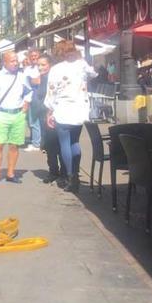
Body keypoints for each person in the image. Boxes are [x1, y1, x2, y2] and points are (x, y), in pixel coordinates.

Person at [45, 41, 98, 193]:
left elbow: (51, 92)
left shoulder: (56, 69)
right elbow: (94, 74)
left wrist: (49, 111)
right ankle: (75, 172)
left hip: (63, 109)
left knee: (64, 144)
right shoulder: (81, 64)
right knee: (75, 142)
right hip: (79, 109)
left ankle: (71, 176)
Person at [0, 51, 32, 186]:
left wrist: (26, 104)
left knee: (14, 146)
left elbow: (29, 91)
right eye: (12, 61)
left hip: (18, 114)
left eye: (16, 60)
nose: (15, 63)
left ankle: (10, 173)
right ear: (4, 62)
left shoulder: (22, 76)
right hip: (1, 114)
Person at [32, 54, 65, 185]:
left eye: (43, 64)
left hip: (53, 116)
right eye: (38, 65)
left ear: (50, 65)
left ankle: (64, 174)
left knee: (59, 145)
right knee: (49, 147)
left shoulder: (52, 78)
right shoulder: (42, 78)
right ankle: (53, 171)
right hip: (43, 116)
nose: (40, 67)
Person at [23, 48, 42, 152]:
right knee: (30, 120)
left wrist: (33, 80)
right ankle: (35, 139)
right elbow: (29, 82)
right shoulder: (28, 69)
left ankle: (36, 143)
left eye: (36, 55)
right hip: (29, 96)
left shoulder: (42, 67)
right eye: (32, 56)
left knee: (35, 120)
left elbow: (38, 81)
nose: (34, 57)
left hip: (38, 96)